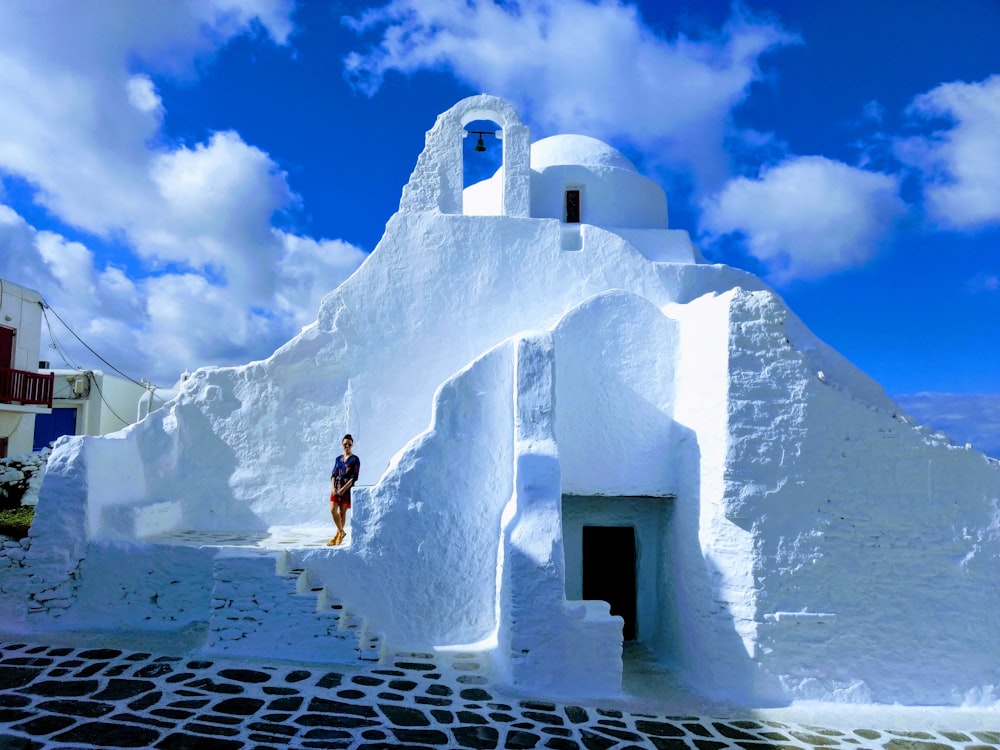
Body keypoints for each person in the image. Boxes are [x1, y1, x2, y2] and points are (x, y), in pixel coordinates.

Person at [328, 433, 360, 546]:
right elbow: (333, 474)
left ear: (352, 445)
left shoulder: (355, 460)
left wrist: (343, 489)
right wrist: (333, 488)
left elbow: (354, 477)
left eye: (349, 444)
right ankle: (341, 532)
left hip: (346, 490)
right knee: (332, 510)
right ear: (342, 445)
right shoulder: (338, 459)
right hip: (336, 488)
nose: (347, 446)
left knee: (342, 513)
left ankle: (337, 536)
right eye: (345, 444)